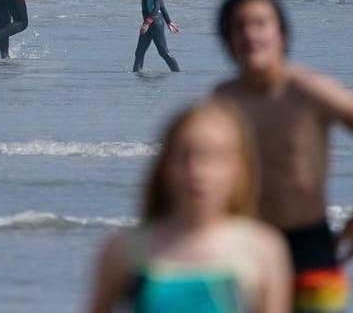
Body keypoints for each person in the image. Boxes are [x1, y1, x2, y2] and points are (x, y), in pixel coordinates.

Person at [214, 0, 353, 313]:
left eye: (260, 23)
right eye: (239, 26)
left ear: (282, 33)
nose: (250, 33)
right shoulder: (224, 99)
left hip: (310, 244)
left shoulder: (308, 89)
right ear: (226, 38)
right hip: (246, 246)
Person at [85, 99, 291, 313]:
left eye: (214, 157)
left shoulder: (262, 250)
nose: (197, 171)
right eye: (184, 155)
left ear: (239, 168)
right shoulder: (124, 249)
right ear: (164, 166)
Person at [133, 0, 181, 73]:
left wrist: (147, 23)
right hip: (150, 22)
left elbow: (157, 5)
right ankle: (135, 76)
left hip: (154, 23)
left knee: (163, 52)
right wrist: (169, 21)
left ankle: (178, 74)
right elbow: (162, 4)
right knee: (139, 52)